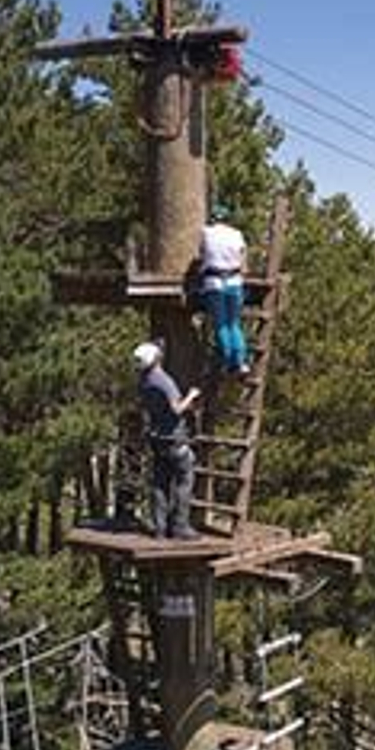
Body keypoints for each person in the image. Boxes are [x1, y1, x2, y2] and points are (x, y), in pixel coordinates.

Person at [134, 342, 202, 539]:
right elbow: (177, 409)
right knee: (184, 480)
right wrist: (191, 395)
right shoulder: (163, 381)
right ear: (156, 359)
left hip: (156, 437)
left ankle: (160, 527)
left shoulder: (143, 381)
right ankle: (180, 526)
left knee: (160, 483)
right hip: (174, 437)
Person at [199, 203, 249, 374]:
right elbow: (243, 260)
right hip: (235, 281)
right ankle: (240, 362)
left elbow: (202, 253)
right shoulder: (237, 234)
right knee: (233, 324)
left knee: (221, 325)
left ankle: (227, 361)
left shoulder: (206, 232)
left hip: (214, 283)